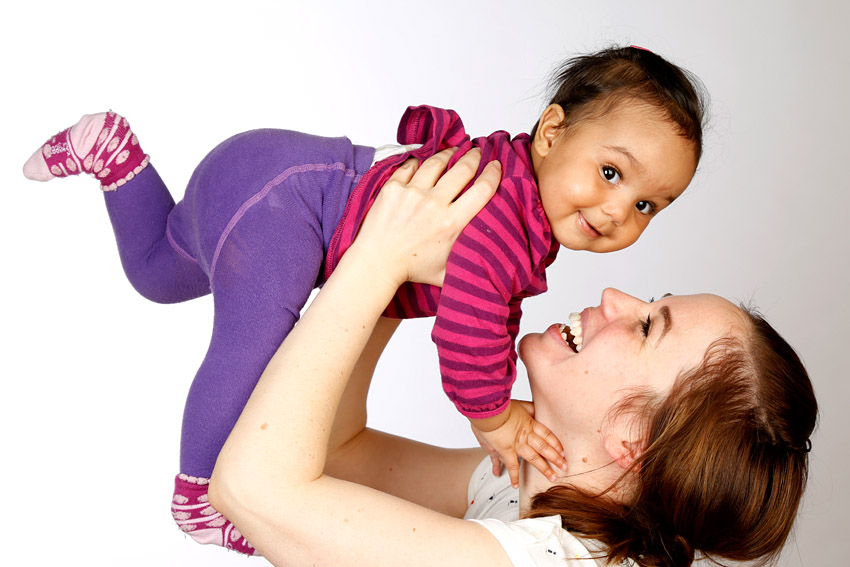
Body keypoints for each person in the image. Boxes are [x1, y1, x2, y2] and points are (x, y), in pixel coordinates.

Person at [23, 46, 706, 553]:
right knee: (250, 347)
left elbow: (474, 315)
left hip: (269, 175)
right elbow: (470, 337)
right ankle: (196, 492)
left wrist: (386, 267)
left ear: (635, 440)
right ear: (551, 133)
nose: (620, 210)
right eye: (611, 173)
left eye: (646, 203)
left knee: (157, 272)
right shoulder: (503, 214)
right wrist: (494, 416)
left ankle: (114, 156)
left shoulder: (514, 201)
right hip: (285, 204)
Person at [209, 150, 818, 567]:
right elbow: (340, 454)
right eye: (651, 301)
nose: (615, 296)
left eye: (647, 325)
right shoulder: (535, 493)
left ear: (633, 438)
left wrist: (377, 257)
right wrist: (415, 274)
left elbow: (248, 488)